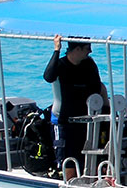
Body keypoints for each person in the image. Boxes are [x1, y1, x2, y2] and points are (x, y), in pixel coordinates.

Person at [43, 35, 108, 179]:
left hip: (85, 120)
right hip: (64, 121)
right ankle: (68, 183)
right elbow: (48, 77)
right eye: (87, 48)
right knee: (68, 162)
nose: (90, 51)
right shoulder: (60, 65)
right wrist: (56, 50)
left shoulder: (89, 64)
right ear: (77, 49)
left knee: (84, 158)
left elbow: (97, 87)